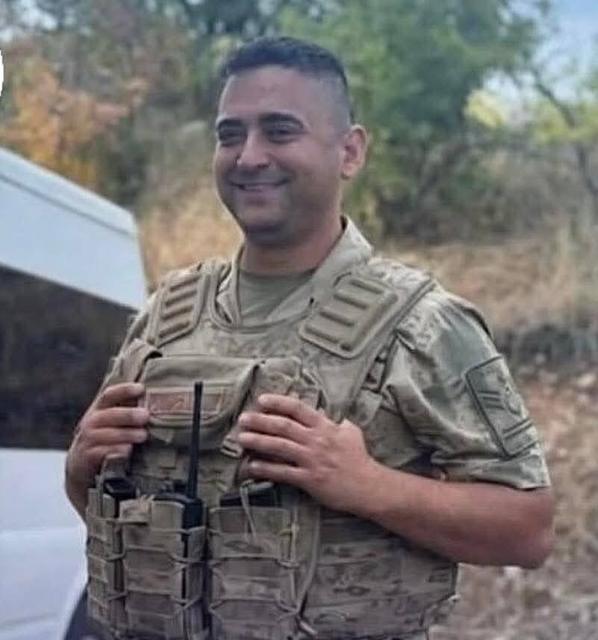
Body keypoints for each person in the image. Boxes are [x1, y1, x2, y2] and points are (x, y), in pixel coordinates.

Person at [65, 36, 554, 640]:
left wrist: (368, 486)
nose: (249, 157)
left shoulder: (423, 323)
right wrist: (81, 466)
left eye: (280, 131)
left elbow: (527, 528)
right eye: (230, 135)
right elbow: (106, 511)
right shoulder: (166, 315)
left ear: (349, 151)